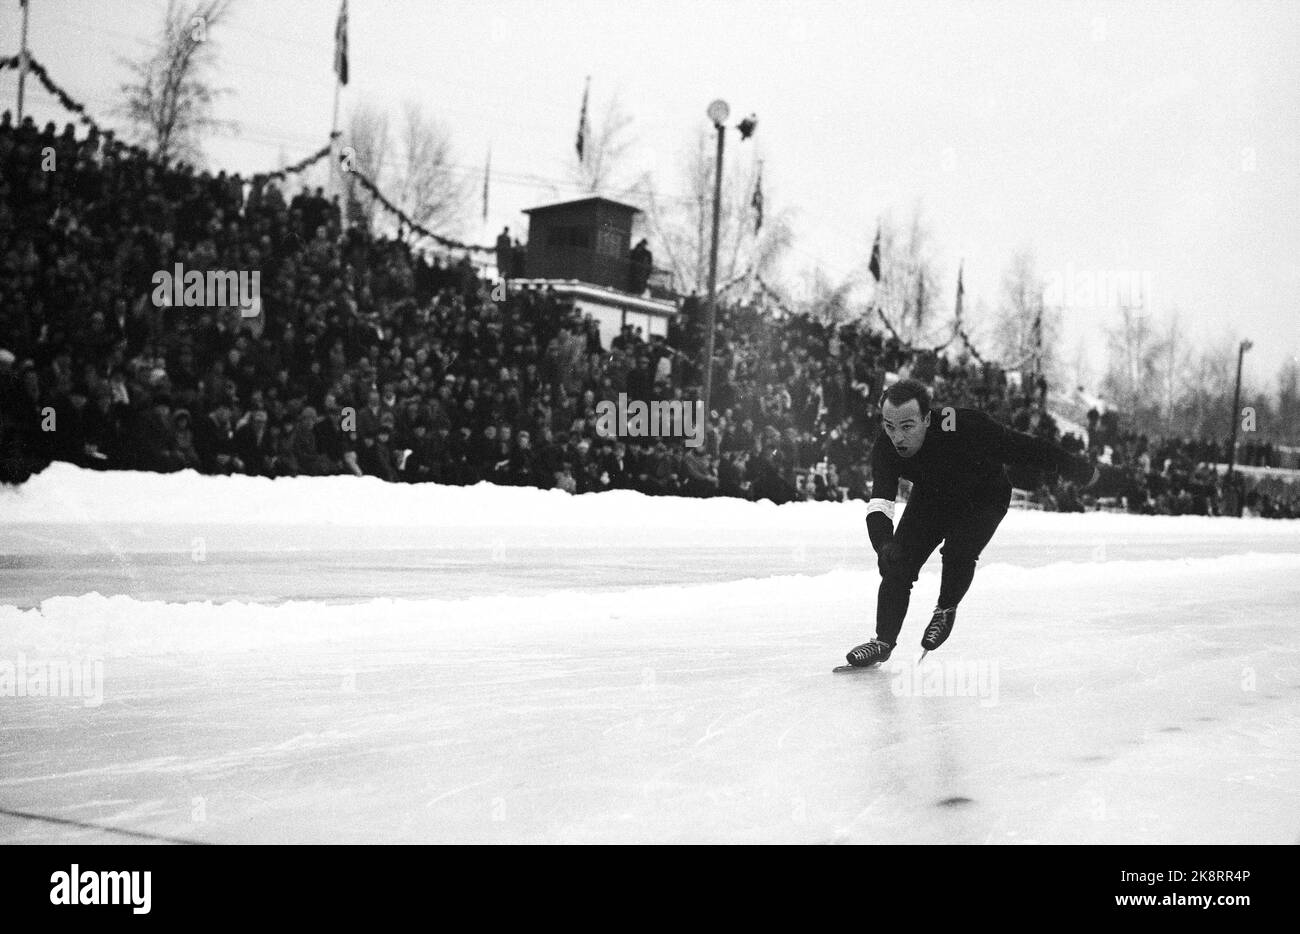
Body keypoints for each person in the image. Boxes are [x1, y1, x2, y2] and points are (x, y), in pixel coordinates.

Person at [845, 378, 1101, 667]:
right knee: (897, 564)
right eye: (890, 426)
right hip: (933, 498)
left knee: (958, 551)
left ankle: (945, 608)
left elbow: (1022, 447)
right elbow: (880, 502)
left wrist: (1073, 466)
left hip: (984, 496)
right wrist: (883, 543)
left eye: (907, 426)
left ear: (928, 419)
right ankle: (882, 641)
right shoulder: (885, 446)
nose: (898, 438)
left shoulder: (957, 424)